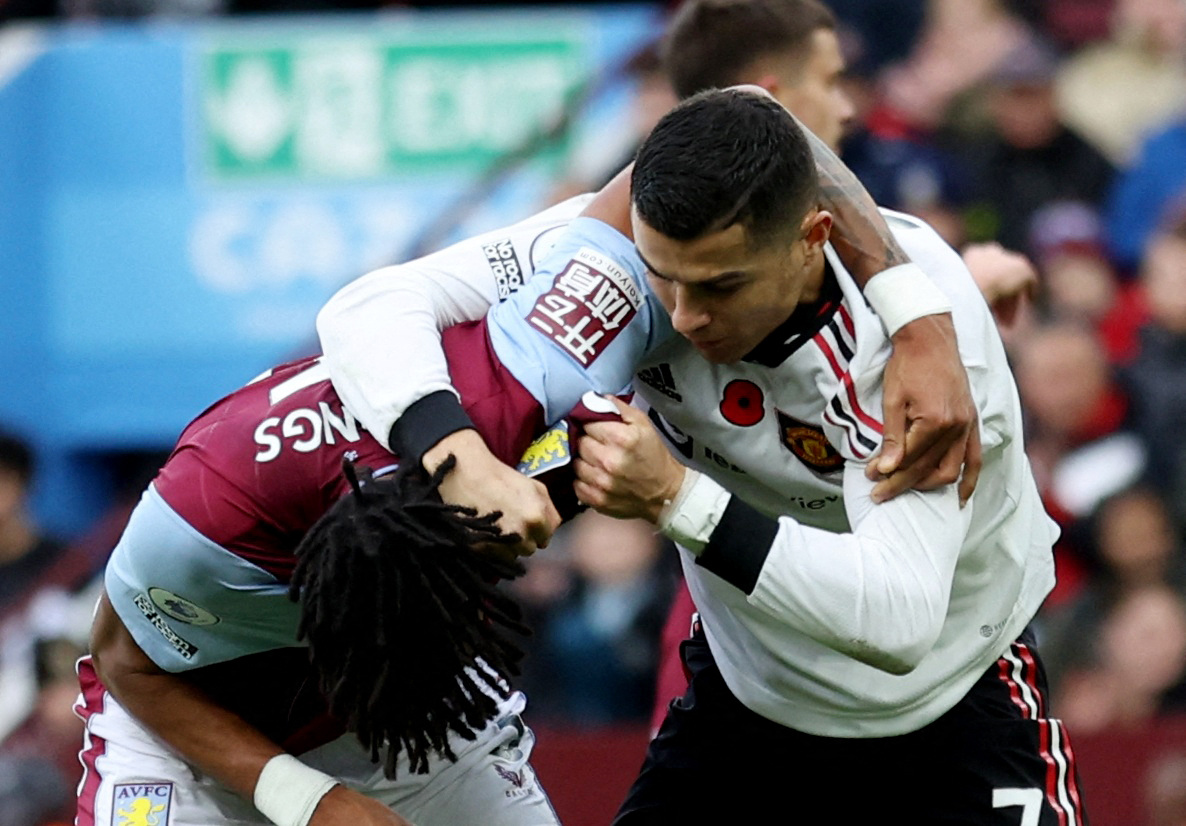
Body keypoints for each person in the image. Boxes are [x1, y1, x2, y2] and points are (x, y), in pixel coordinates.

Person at [320, 88, 1082, 823]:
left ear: (812, 238)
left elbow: (896, 621)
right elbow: (368, 307)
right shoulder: (614, 255)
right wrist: (459, 458)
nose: (683, 317)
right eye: (666, 277)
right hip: (749, 700)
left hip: (952, 703)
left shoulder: (914, 353)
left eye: (721, 285)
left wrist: (675, 500)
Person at [75, 311, 625, 826]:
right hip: (184, 726)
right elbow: (125, 663)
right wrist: (307, 800)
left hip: (418, 719)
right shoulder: (202, 522)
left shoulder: (525, 416)